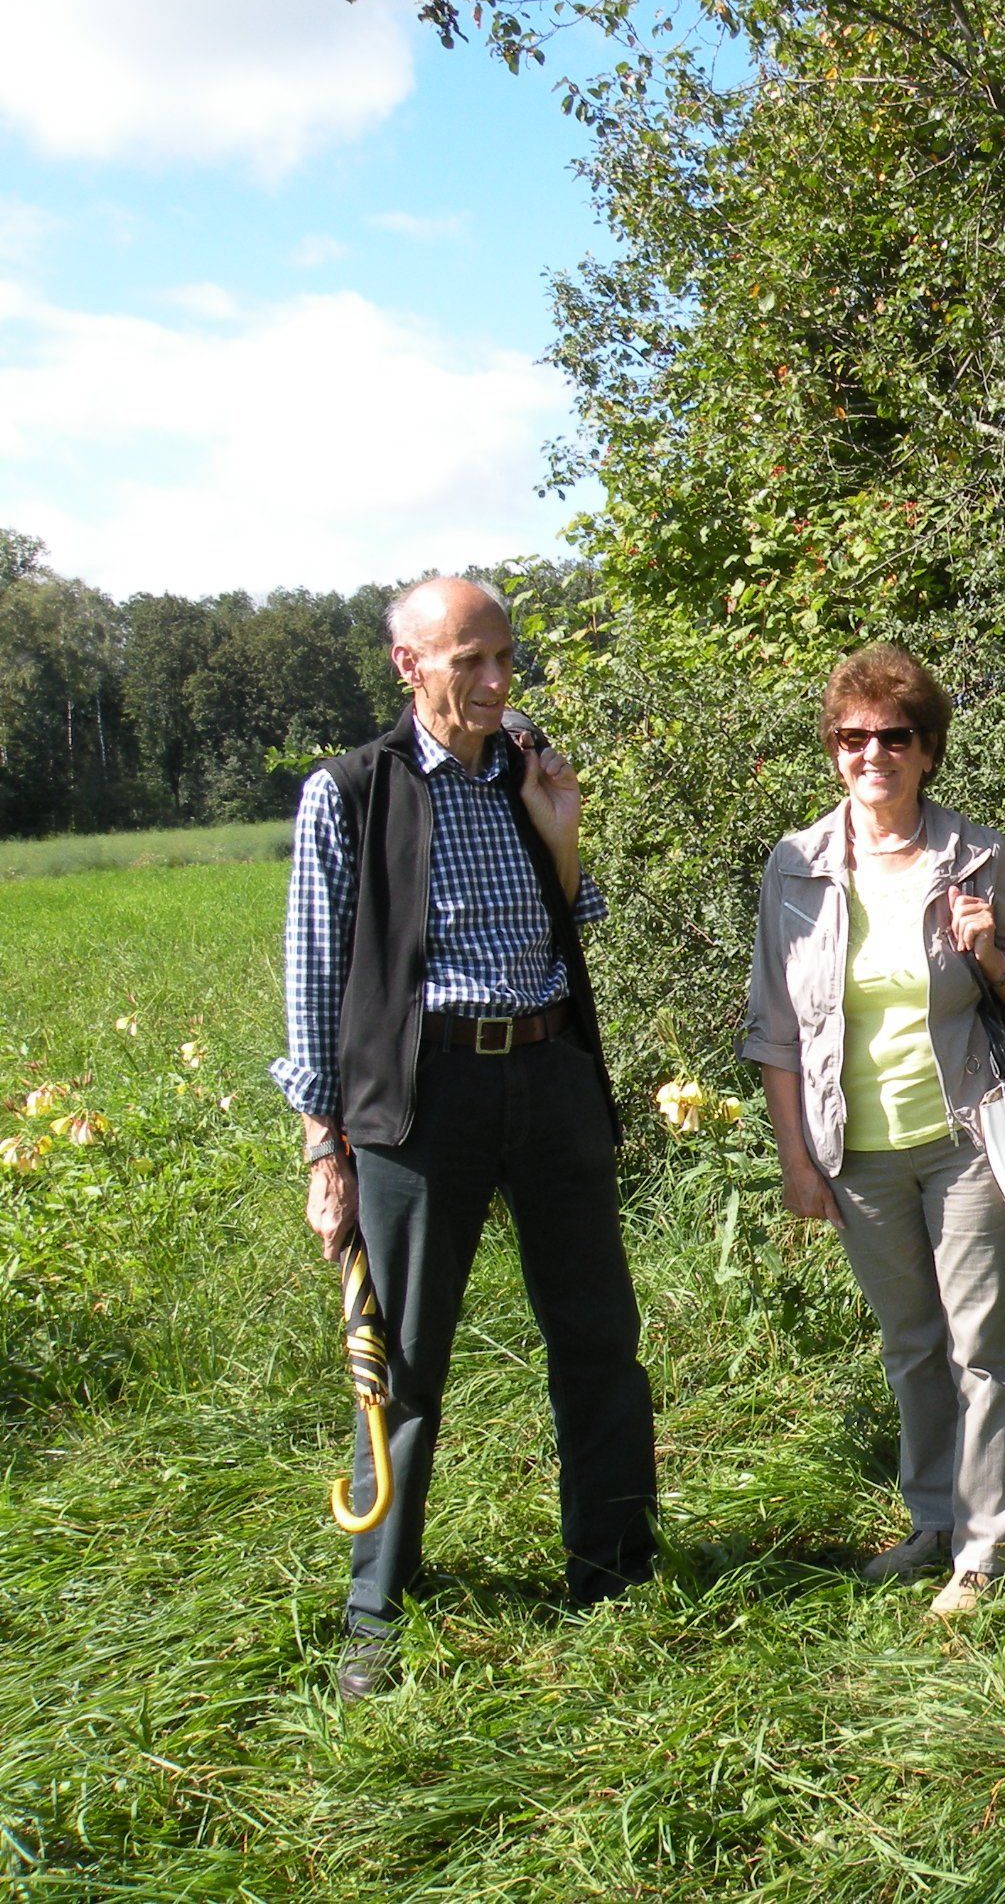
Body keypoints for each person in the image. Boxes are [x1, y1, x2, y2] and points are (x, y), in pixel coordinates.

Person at [274, 574, 657, 1700]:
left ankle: (616, 1571)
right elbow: (313, 979)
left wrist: (561, 827)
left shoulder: (527, 772)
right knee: (402, 1365)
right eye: (468, 662)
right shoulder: (350, 792)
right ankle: (376, 1608)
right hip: (421, 1098)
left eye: (505, 659)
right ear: (409, 666)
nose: (495, 682)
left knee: (597, 1340)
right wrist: (322, 1150)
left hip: (549, 1073)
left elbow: (572, 918)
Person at [740, 643, 1005, 1617]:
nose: (870, 752)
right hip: (855, 1149)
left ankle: (988, 1547)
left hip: (963, 1137)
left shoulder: (975, 854)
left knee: (982, 1346)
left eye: (893, 736)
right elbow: (775, 1028)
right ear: (833, 748)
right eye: (852, 737)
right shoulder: (795, 867)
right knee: (911, 1344)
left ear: (927, 750)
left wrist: (989, 953)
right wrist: (798, 1159)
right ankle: (932, 1521)